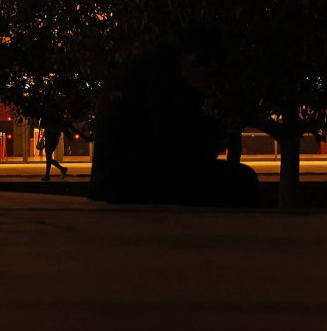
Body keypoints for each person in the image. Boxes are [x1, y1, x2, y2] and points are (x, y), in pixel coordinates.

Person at [88, 26, 260, 206]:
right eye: (208, 74)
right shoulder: (165, 81)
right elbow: (175, 144)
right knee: (243, 180)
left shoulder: (148, 70)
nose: (206, 83)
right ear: (193, 61)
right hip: (137, 182)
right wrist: (213, 136)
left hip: (118, 181)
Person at [40, 114, 69, 182]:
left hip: (50, 139)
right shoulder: (57, 119)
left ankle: (61, 169)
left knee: (48, 158)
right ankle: (49, 174)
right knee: (48, 157)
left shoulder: (50, 119)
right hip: (53, 139)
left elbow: (44, 126)